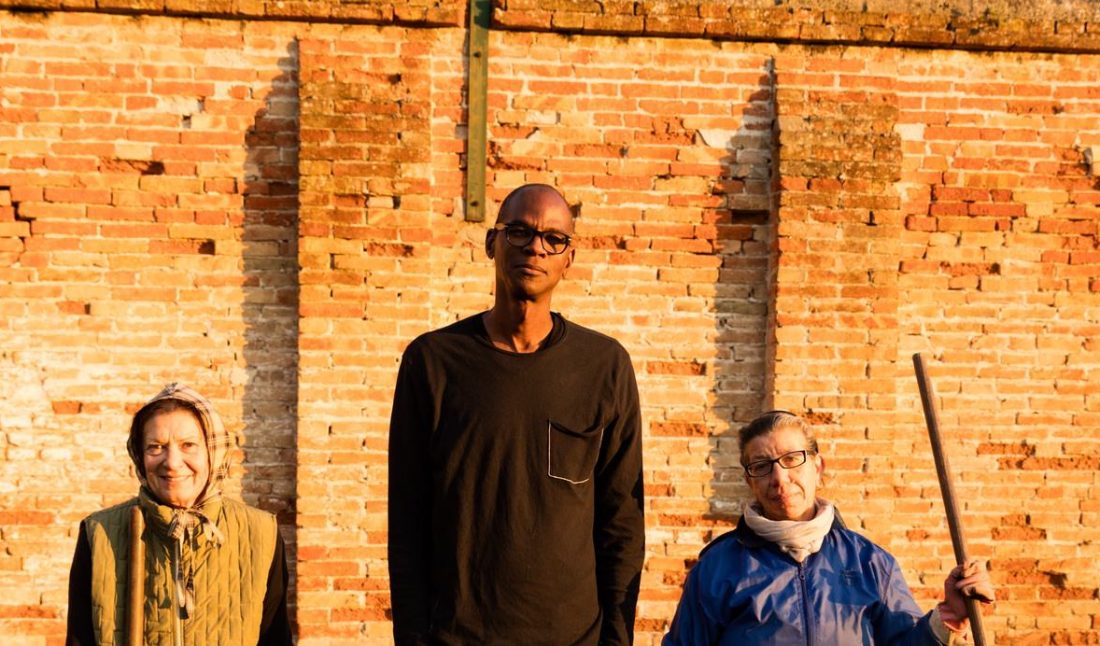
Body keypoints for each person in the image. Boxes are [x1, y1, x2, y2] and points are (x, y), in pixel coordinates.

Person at [388, 183, 646, 645]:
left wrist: (616, 639)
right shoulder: (433, 362)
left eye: (554, 238)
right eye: (519, 232)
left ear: (569, 258)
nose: (536, 247)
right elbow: (408, 518)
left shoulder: (604, 366)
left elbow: (621, 520)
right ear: (491, 243)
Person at [663, 410, 995, 645]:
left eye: (792, 459)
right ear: (749, 480)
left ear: (818, 466)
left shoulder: (869, 562)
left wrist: (951, 614)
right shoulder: (718, 567)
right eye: (762, 466)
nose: (780, 478)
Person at [66, 383, 292, 645]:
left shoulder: (260, 532)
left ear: (213, 452)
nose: (172, 462)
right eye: (155, 447)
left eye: (188, 445)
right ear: (139, 455)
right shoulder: (100, 532)